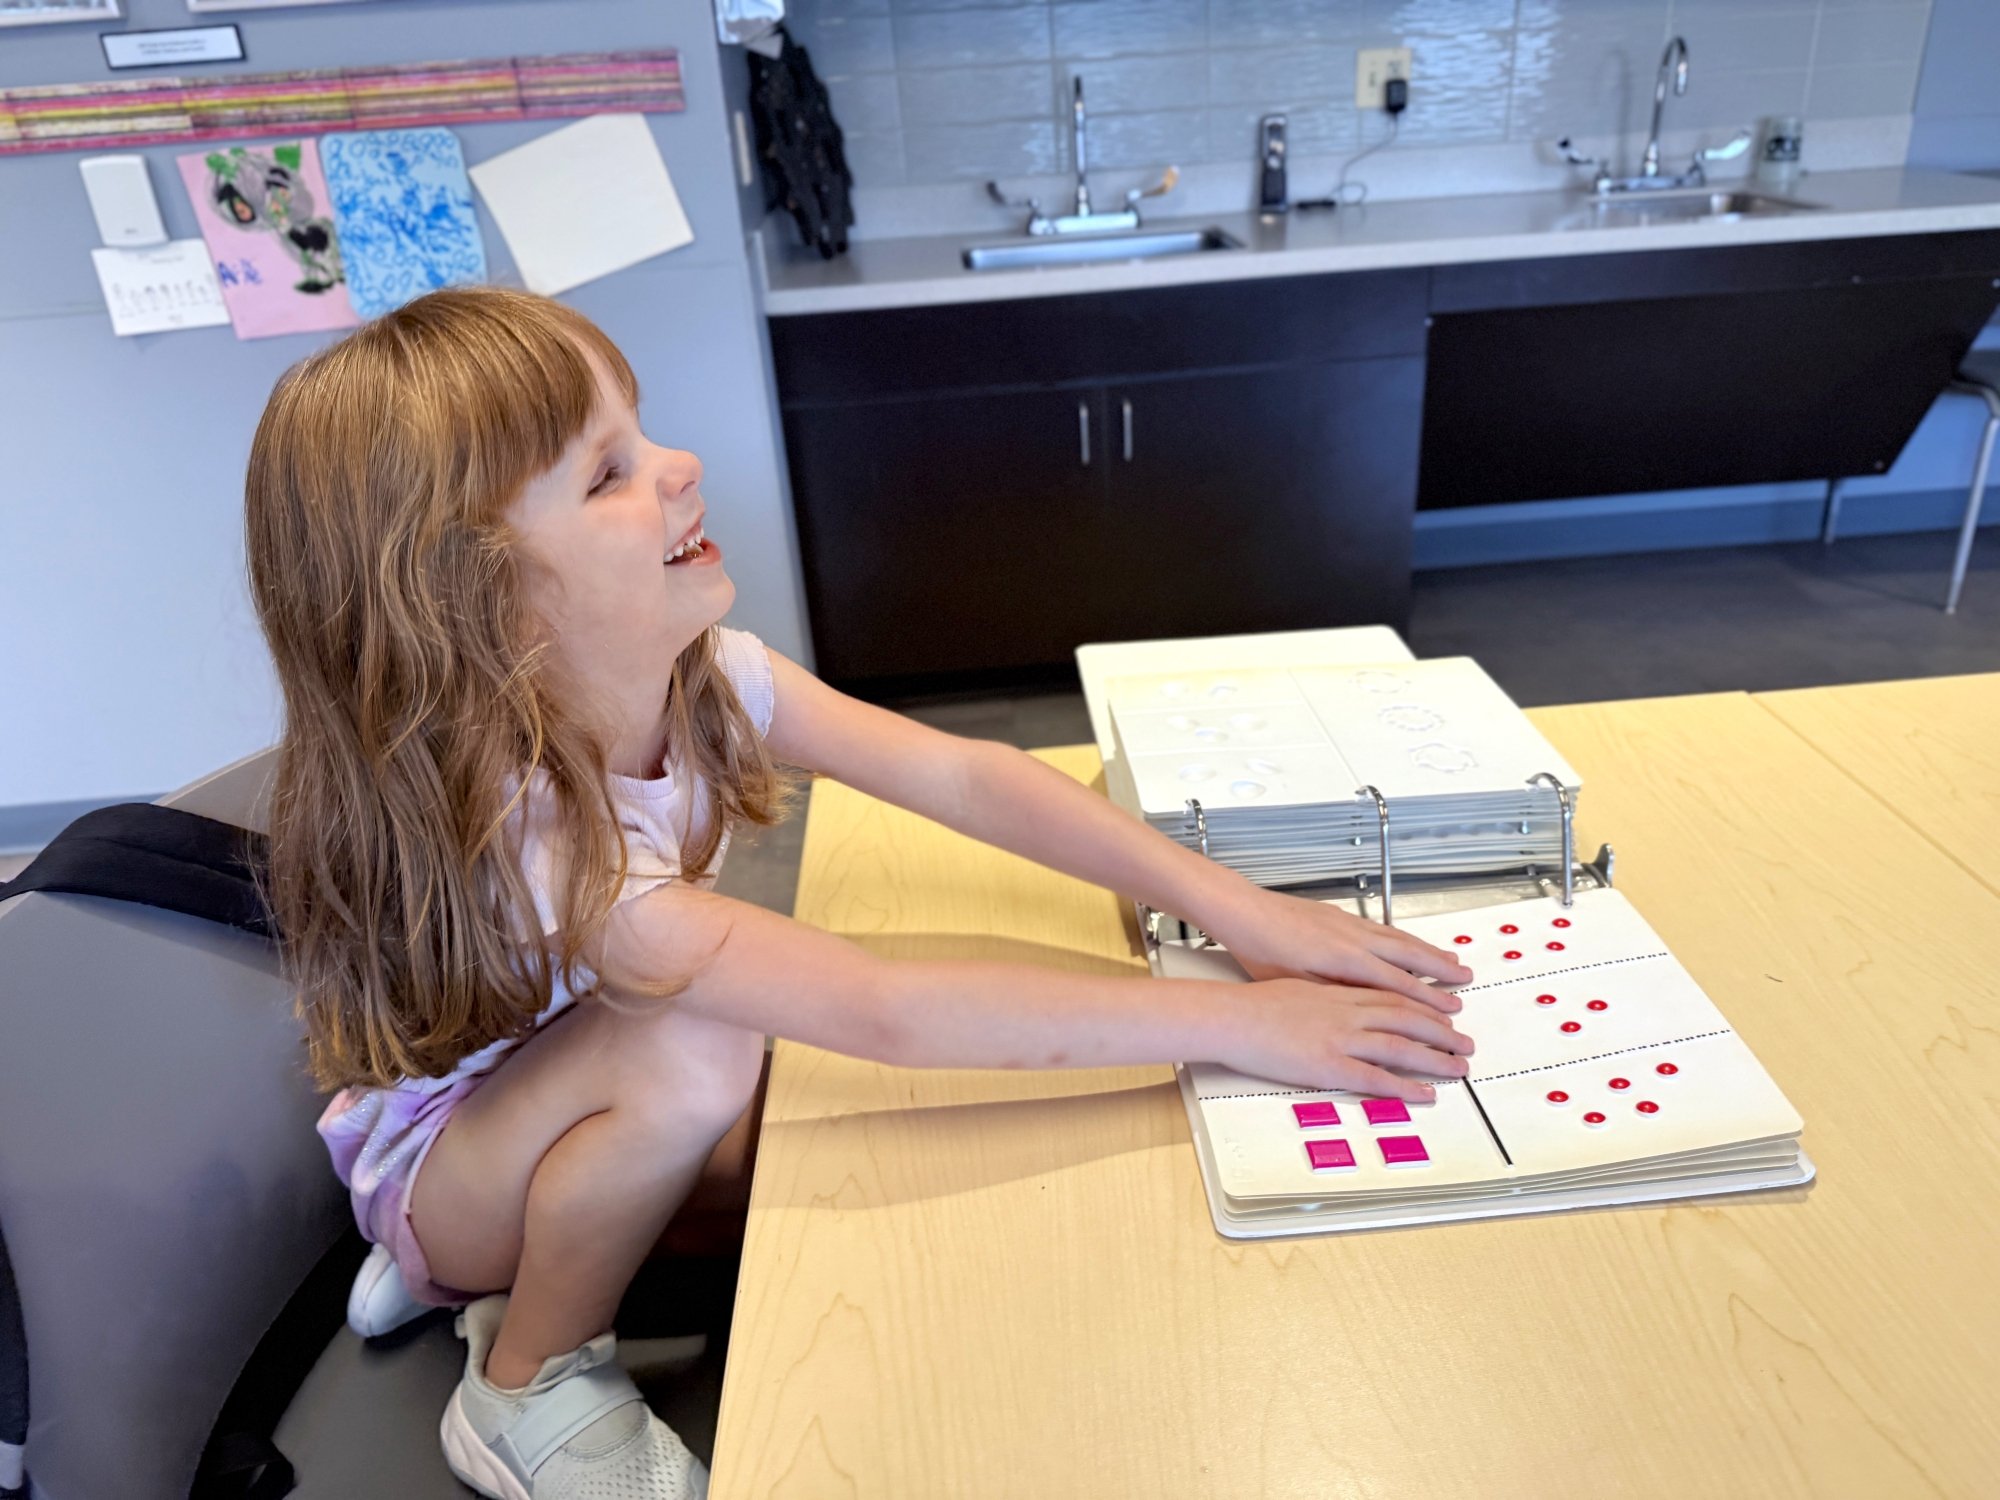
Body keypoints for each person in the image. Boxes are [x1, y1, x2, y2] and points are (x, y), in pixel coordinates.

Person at [243, 286, 1475, 1500]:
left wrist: (1237, 908)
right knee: (709, 1040)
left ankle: (524, 1246)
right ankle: (523, 1378)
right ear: (474, 595)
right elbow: (884, 1006)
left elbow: (964, 776)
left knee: (817, 1144)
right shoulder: (552, 850)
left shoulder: (705, 675)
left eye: (643, 427)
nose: (679, 466)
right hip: (451, 1157)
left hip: (548, 1075)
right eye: (609, 472)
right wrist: (1242, 1021)